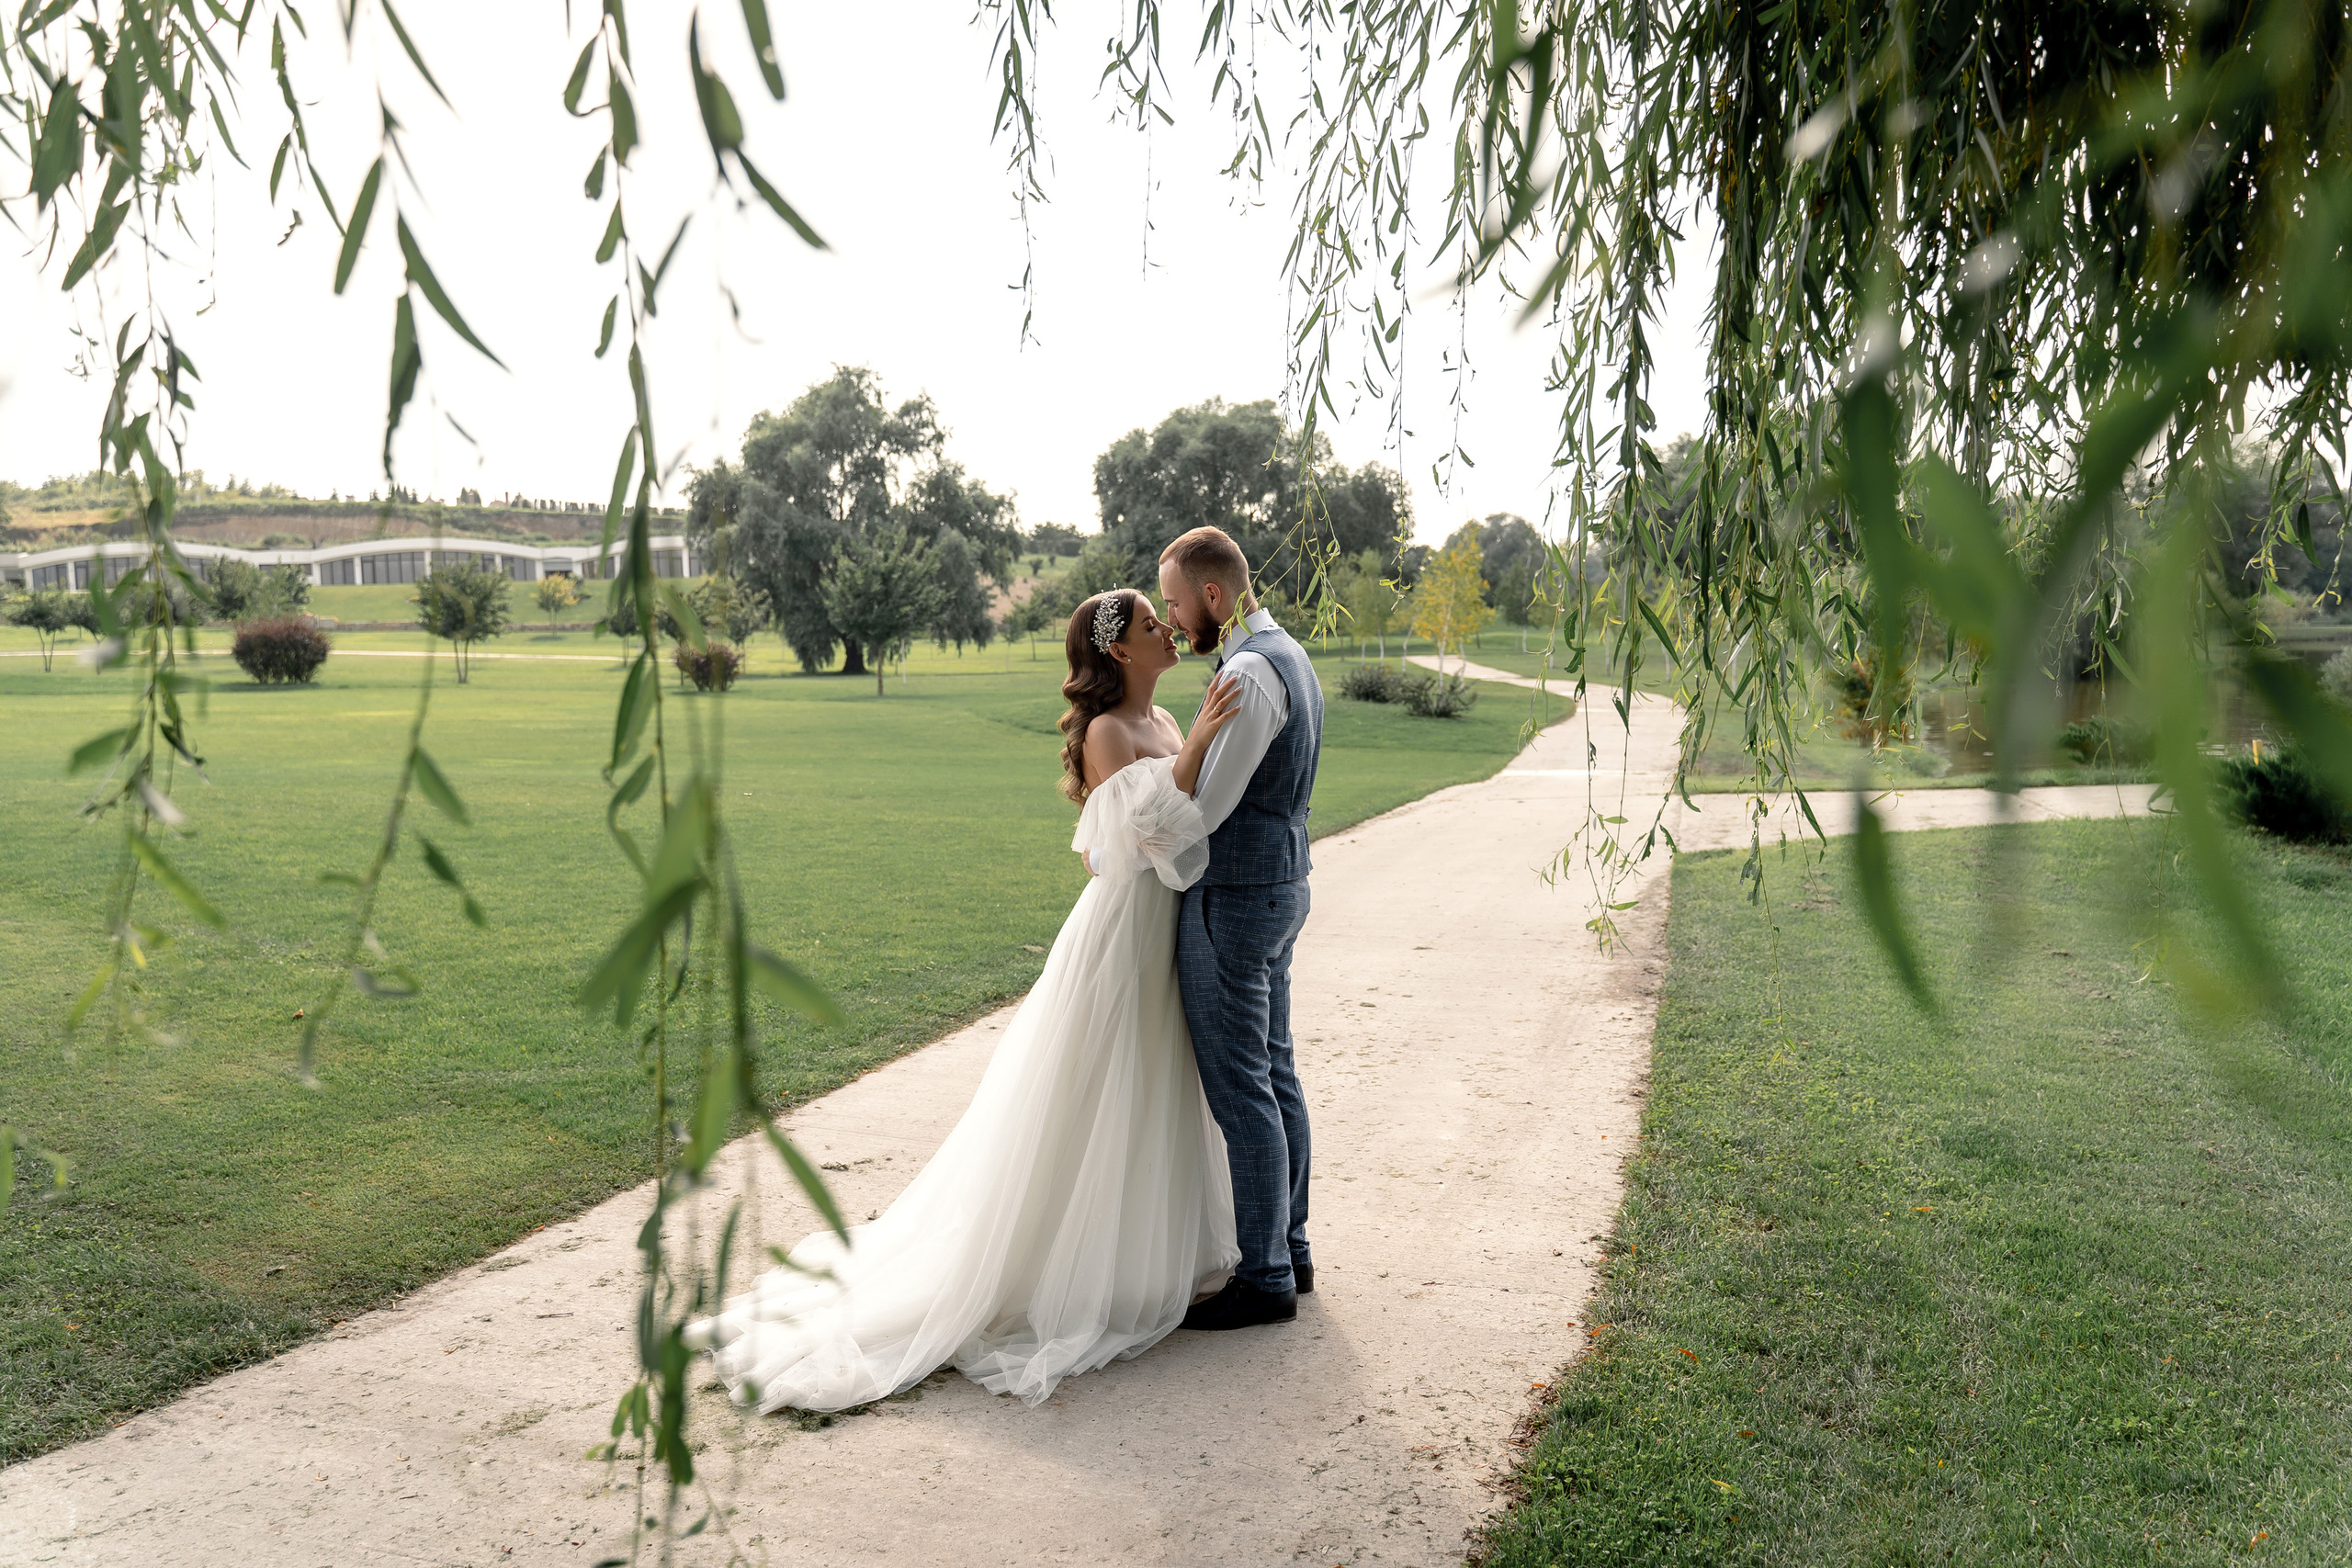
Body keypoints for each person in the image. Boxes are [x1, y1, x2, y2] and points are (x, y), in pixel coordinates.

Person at [685, 591, 1245, 1412]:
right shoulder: (1108, 732)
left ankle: (1152, 1255)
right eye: (1149, 626)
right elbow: (1146, 838)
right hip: (1124, 934)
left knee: (1160, 1083)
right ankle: (1061, 1268)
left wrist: (1193, 739)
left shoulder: (1163, 722)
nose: (1166, 631)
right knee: (1097, 1088)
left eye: (1164, 622)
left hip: (1165, 929)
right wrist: (1200, 741)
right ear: (1120, 652)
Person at [1155, 525, 1325, 1332]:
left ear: (1213, 597)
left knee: (1243, 1083)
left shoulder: (1251, 673)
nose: (1173, 617)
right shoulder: (1285, 650)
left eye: (1176, 603)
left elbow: (1205, 811)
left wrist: (1143, 844)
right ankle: (1287, 1248)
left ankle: (1264, 1277)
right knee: (1276, 1069)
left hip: (1238, 892)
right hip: (1281, 883)